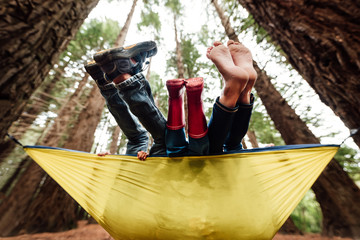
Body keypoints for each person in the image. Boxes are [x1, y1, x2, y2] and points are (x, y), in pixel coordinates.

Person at [85, 40, 257, 160]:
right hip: (185, 163)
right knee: (143, 138)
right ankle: (115, 75)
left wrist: (109, 162)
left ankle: (242, 93)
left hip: (166, 163)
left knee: (231, 145)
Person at [162, 40, 257, 158]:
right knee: (227, 147)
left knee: (229, 146)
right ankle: (242, 92)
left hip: (230, 164)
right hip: (231, 161)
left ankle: (240, 92)